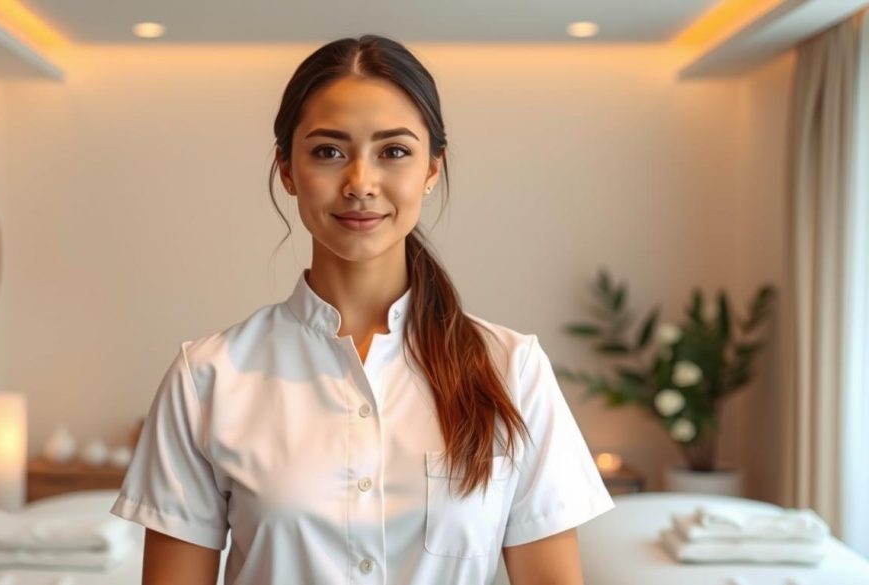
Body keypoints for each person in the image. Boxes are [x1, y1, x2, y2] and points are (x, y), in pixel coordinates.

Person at [110, 34, 614, 585]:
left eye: (393, 152)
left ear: (431, 169)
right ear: (286, 168)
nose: (360, 184)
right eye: (328, 151)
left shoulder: (513, 369)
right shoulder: (207, 377)